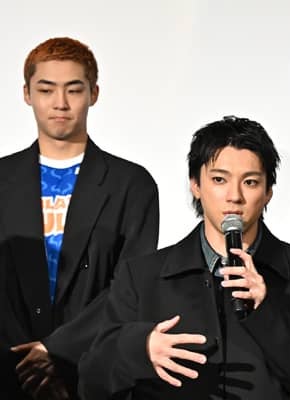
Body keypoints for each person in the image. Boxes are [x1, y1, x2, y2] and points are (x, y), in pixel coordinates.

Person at [78, 116, 290, 399]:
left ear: (268, 191)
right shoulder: (141, 278)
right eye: (219, 180)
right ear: (195, 185)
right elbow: (90, 384)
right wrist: (140, 350)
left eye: (250, 182)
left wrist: (269, 312)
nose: (234, 196)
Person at [0, 37, 159, 399]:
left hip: (93, 371)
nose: (60, 103)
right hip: (8, 369)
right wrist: (28, 361)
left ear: (93, 93)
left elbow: (131, 286)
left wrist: (58, 351)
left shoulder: (131, 185)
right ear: (27, 94)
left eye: (73, 89)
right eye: (46, 90)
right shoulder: (3, 180)